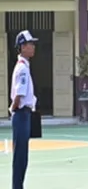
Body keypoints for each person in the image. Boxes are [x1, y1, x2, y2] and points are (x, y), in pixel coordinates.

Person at [10, 30, 38, 189]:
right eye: (30, 44)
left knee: (22, 156)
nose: (33, 47)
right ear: (22, 47)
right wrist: (14, 109)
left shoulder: (24, 67)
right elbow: (19, 95)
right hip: (21, 114)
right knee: (20, 157)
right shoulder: (22, 69)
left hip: (24, 114)